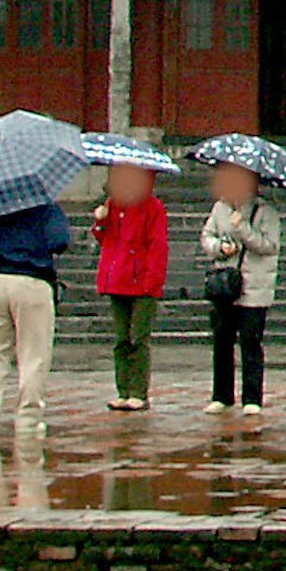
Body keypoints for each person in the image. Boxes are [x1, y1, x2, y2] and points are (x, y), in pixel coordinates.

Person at [0, 192, 68, 439]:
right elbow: (60, 241)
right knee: (33, 354)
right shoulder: (44, 205)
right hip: (32, 279)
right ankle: (28, 417)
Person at [198, 160, 283, 418]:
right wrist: (219, 248)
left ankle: (252, 397)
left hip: (254, 288)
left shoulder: (265, 212)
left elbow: (269, 246)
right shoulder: (220, 208)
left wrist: (243, 229)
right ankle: (221, 395)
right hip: (226, 285)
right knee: (222, 342)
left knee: (250, 343)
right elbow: (207, 236)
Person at [92, 161, 171, 412]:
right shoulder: (113, 206)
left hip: (142, 283)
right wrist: (100, 222)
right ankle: (123, 390)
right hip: (117, 280)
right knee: (121, 339)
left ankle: (138, 391)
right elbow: (106, 240)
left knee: (138, 338)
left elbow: (158, 248)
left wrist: (151, 282)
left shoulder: (153, 208)